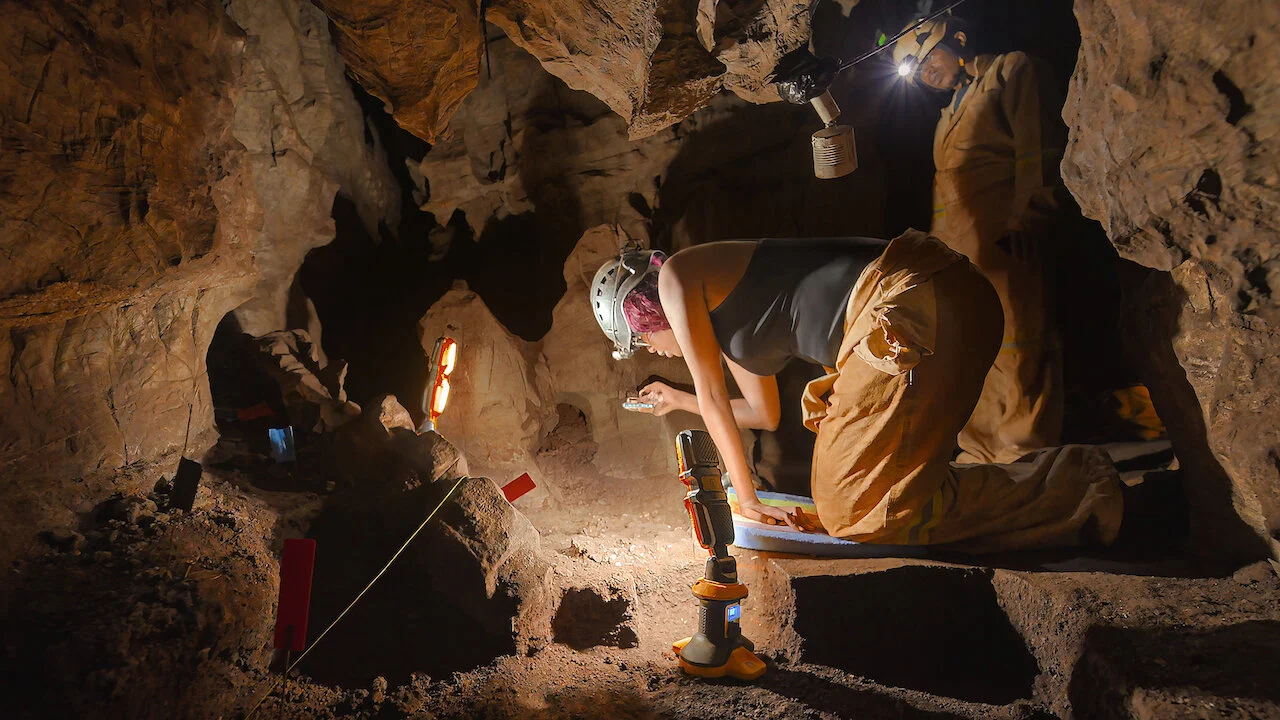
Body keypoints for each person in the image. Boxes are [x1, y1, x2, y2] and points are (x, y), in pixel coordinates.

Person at [590, 231, 1124, 552]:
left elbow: (711, 397)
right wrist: (676, 401)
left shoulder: (677, 274)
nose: (652, 352)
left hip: (908, 302)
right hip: (931, 307)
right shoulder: (727, 328)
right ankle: (1071, 483)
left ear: (642, 315)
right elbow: (761, 413)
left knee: (850, 506)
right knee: (858, 487)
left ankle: (1076, 491)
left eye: (639, 342)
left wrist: (745, 498)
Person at [892, 17, 1067, 464]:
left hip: (1004, 238)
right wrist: (933, 255)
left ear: (960, 39)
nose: (928, 73)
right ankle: (978, 452)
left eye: (930, 57)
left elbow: (1037, 146)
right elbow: (942, 190)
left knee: (1020, 344)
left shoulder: (1011, 70)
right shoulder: (946, 114)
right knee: (972, 350)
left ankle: (1025, 452)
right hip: (960, 252)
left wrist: (1031, 216)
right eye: (920, 68)